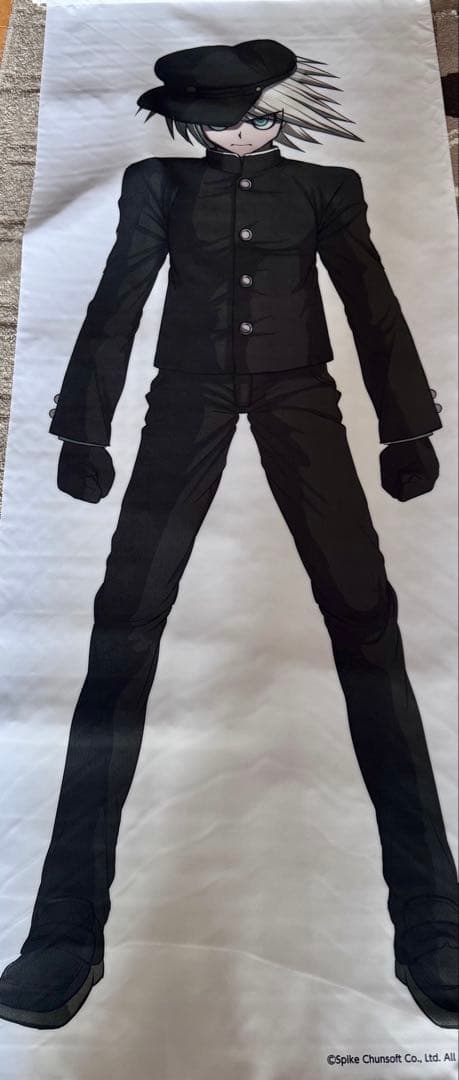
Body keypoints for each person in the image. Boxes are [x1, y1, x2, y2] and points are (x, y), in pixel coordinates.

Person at [0, 38, 457, 1031]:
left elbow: (370, 299)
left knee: (367, 623)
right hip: (185, 401)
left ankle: (436, 928)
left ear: (284, 108)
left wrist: (406, 425)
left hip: (303, 400)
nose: (241, 133)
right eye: (218, 120)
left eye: (256, 114)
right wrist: (83, 428)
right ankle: (61, 937)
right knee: (122, 626)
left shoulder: (326, 189)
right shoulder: (154, 184)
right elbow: (120, 294)